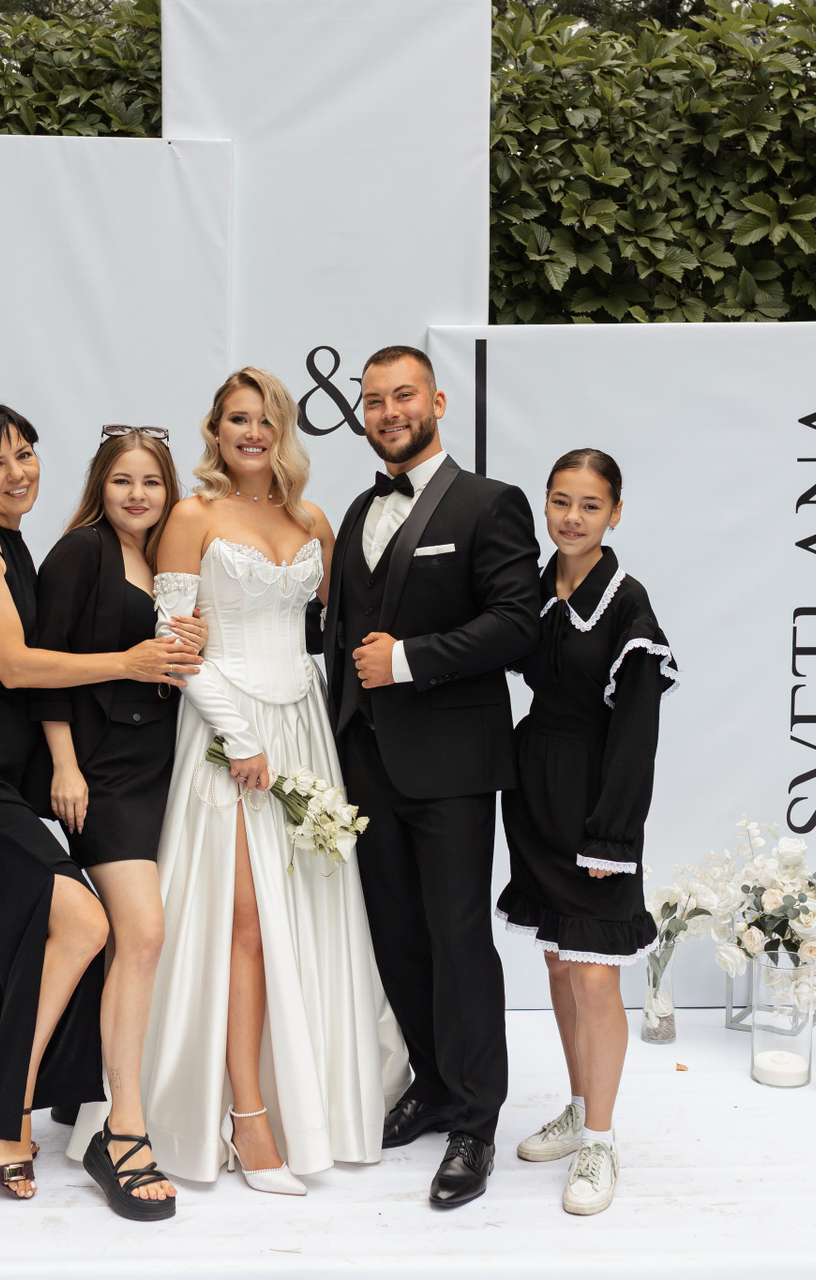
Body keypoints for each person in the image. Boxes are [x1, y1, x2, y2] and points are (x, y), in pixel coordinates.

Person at [0, 403, 202, 1200]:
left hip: (1, 771)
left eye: (27, 454)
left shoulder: (13, 542)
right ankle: (4, 1110)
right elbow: (15, 664)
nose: (18, 472)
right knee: (83, 921)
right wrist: (127, 663)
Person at [139, 366, 405, 1195]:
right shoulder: (191, 516)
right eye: (237, 419)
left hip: (304, 731)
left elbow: (331, 629)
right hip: (230, 734)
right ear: (215, 431)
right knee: (244, 924)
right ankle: (246, 1119)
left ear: (284, 430)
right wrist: (239, 734)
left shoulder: (312, 520)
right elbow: (178, 648)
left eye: (266, 419)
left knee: (309, 916)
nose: (252, 433)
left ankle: (309, 1106)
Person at [321, 345, 541, 1210]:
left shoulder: (490, 503)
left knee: (458, 941)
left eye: (403, 395)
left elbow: (517, 624)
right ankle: (435, 1086)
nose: (388, 412)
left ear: (437, 402)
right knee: (397, 937)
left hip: (451, 766)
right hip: (366, 761)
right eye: (374, 400)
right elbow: (341, 635)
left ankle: (476, 1121)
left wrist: (409, 659)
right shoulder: (355, 510)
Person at [498, 448, 676, 1216]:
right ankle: (578, 1108)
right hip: (536, 791)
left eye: (590, 505)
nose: (572, 518)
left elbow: (636, 734)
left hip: (595, 803)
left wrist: (612, 837)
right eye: (560, 501)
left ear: (615, 513)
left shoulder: (627, 606)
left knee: (597, 975)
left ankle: (601, 1140)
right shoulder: (536, 588)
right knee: (560, 964)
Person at [31, 426, 188, 1221]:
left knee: (145, 940)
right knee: (144, 934)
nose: (137, 494)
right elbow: (43, 663)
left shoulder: (168, 559)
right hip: (105, 773)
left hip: (169, 766)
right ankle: (123, 1129)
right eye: (123, 480)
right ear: (101, 484)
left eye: (151, 481)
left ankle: (82, 1096)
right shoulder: (81, 552)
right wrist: (65, 765)